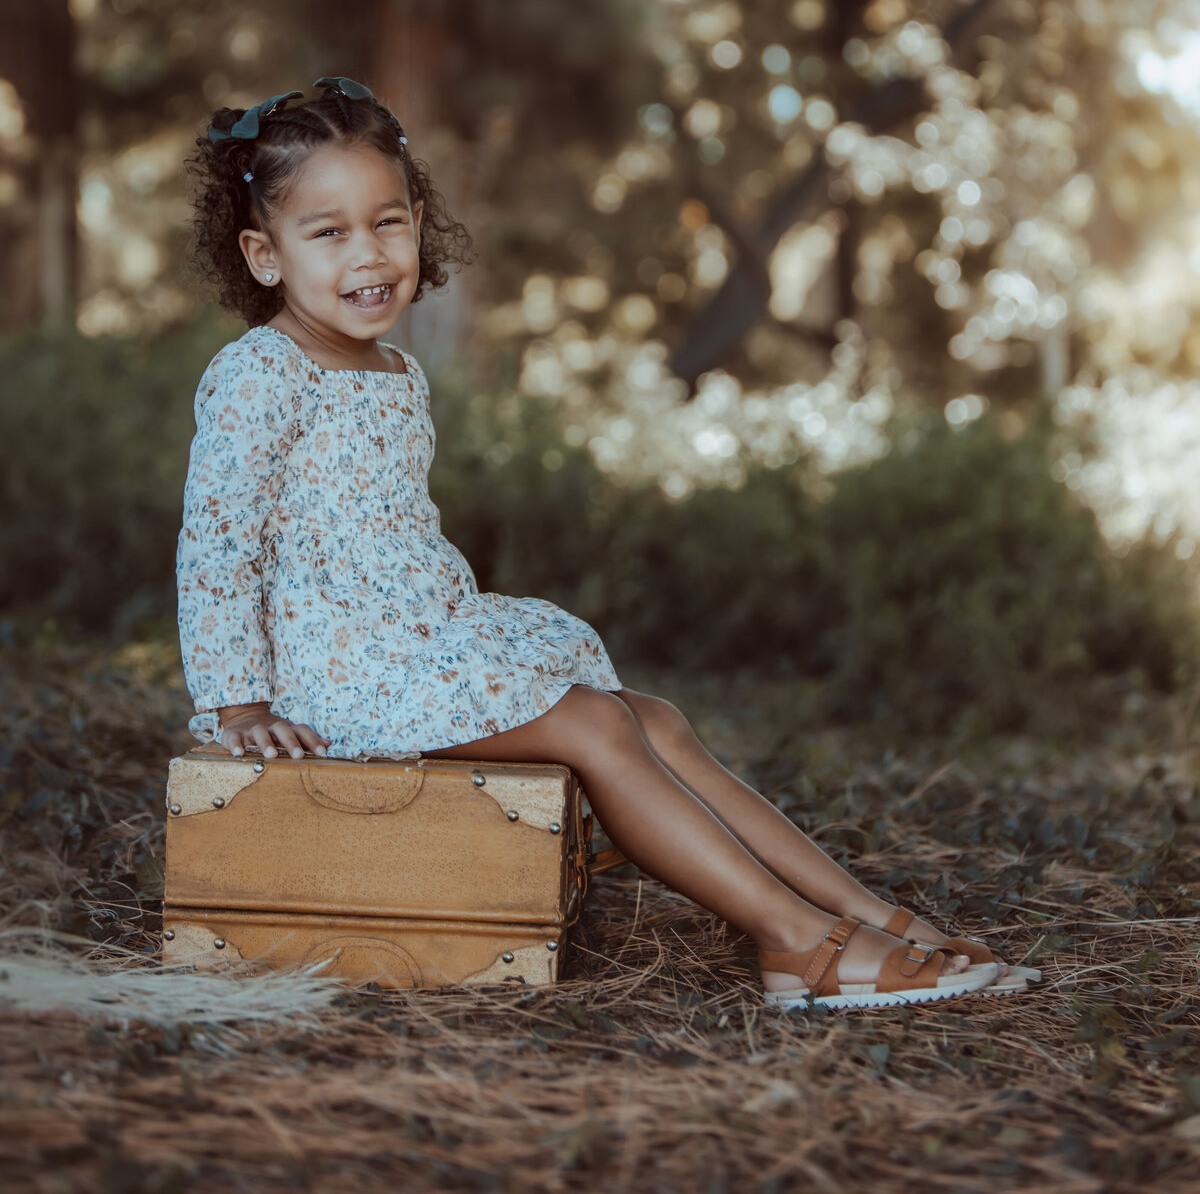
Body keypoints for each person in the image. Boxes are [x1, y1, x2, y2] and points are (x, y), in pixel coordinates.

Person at [176, 75, 1031, 1011]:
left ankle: (863, 913)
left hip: (414, 634)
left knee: (651, 716)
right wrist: (239, 704)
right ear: (265, 255)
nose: (369, 255)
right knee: (596, 725)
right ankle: (797, 945)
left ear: (420, 222)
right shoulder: (259, 375)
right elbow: (218, 546)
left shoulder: (395, 370)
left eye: (388, 221)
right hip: (336, 673)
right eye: (327, 232)